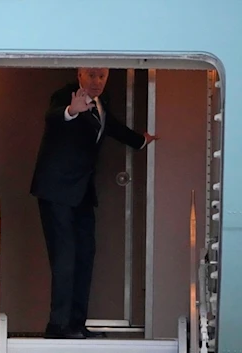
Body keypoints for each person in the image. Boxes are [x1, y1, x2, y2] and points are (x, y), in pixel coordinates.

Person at [29, 68, 158, 339]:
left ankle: (76, 323)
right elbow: (54, 116)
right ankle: (58, 326)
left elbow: (110, 126)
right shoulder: (65, 96)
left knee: (85, 255)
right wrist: (71, 111)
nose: (96, 81)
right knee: (64, 257)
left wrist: (141, 141)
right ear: (79, 75)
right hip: (56, 191)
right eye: (91, 75)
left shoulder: (103, 100)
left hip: (82, 192)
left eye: (101, 76)